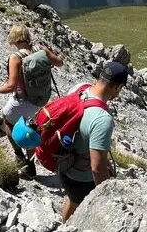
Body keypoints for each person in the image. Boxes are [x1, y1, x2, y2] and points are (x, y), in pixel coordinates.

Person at [0, 24, 63, 178]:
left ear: (14, 38)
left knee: (7, 121)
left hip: (22, 100)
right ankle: (30, 164)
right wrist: (47, 53)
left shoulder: (15, 57)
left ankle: (18, 155)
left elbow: (11, 86)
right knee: (32, 129)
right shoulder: (40, 50)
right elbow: (59, 62)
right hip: (40, 100)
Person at [59, 61, 128, 221]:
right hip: (81, 177)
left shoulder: (79, 88)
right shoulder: (102, 119)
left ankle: (64, 223)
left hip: (63, 163)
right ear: (117, 87)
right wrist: (104, 195)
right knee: (86, 213)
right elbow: (96, 168)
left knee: (73, 200)